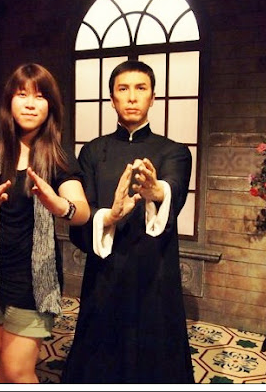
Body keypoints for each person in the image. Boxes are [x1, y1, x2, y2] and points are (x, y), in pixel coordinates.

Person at [0, 63, 90, 383]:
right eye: (22, 94)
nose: (30, 104)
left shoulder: (57, 154)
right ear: (9, 101)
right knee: (1, 365)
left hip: (33, 281)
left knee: (18, 371)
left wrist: (60, 205)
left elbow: (82, 210)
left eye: (40, 96)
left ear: (50, 105)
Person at [61, 60, 195, 384]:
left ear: (152, 97)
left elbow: (174, 187)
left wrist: (156, 190)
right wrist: (109, 215)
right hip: (106, 269)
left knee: (154, 348)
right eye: (123, 89)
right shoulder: (93, 152)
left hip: (155, 269)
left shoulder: (175, 151)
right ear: (112, 99)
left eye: (140, 88)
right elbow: (84, 209)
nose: (132, 97)